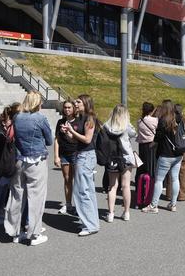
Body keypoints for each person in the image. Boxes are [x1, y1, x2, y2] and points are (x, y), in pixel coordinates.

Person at [4, 91, 52, 246]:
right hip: (36, 160)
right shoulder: (40, 118)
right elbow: (49, 140)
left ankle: (14, 232)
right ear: (37, 103)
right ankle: (34, 233)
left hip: (20, 159)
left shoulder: (17, 117)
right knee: (36, 197)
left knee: (17, 196)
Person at [64, 94, 99, 237]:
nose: (75, 103)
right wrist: (68, 134)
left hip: (86, 156)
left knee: (83, 191)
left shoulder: (89, 118)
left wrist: (72, 131)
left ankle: (90, 225)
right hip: (81, 155)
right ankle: (91, 222)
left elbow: (87, 139)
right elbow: (76, 140)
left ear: (85, 103)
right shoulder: (80, 118)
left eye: (78, 102)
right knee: (86, 190)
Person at [142, 100, 185, 213]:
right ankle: (173, 204)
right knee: (175, 178)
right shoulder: (179, 119)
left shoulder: (163, 120)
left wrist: (152, 144)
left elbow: (158, 137)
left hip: (166, 154)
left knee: (159, 180)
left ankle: (154, 205)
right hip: (178, 153)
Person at [103, 104, 137, 222]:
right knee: (126, 186)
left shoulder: (107, 126)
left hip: (112, 157)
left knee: (112, 186)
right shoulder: (127, 126)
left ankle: (111, 213)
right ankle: (126, 212)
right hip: (126, 157)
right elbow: (134, 133)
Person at [53, 100, 77, 215]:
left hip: (77, 154)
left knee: (78, 180)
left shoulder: (78, 121)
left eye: (69, 107)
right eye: (65, 107)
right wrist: (56, 156)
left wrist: (70, 132)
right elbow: (57, 139)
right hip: (64, 154)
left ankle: (79, 205)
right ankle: (68, 204)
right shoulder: (60, 122)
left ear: (74, 109)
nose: (67, 109)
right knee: (67, 179)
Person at [136, 101, 157, 180]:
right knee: (151, 164)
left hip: (141, 144)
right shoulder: (155, 120)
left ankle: (140, 180)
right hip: (151, 144)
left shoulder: (139, 121)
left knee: (141, 164)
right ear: (151, 111)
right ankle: (150, 180)